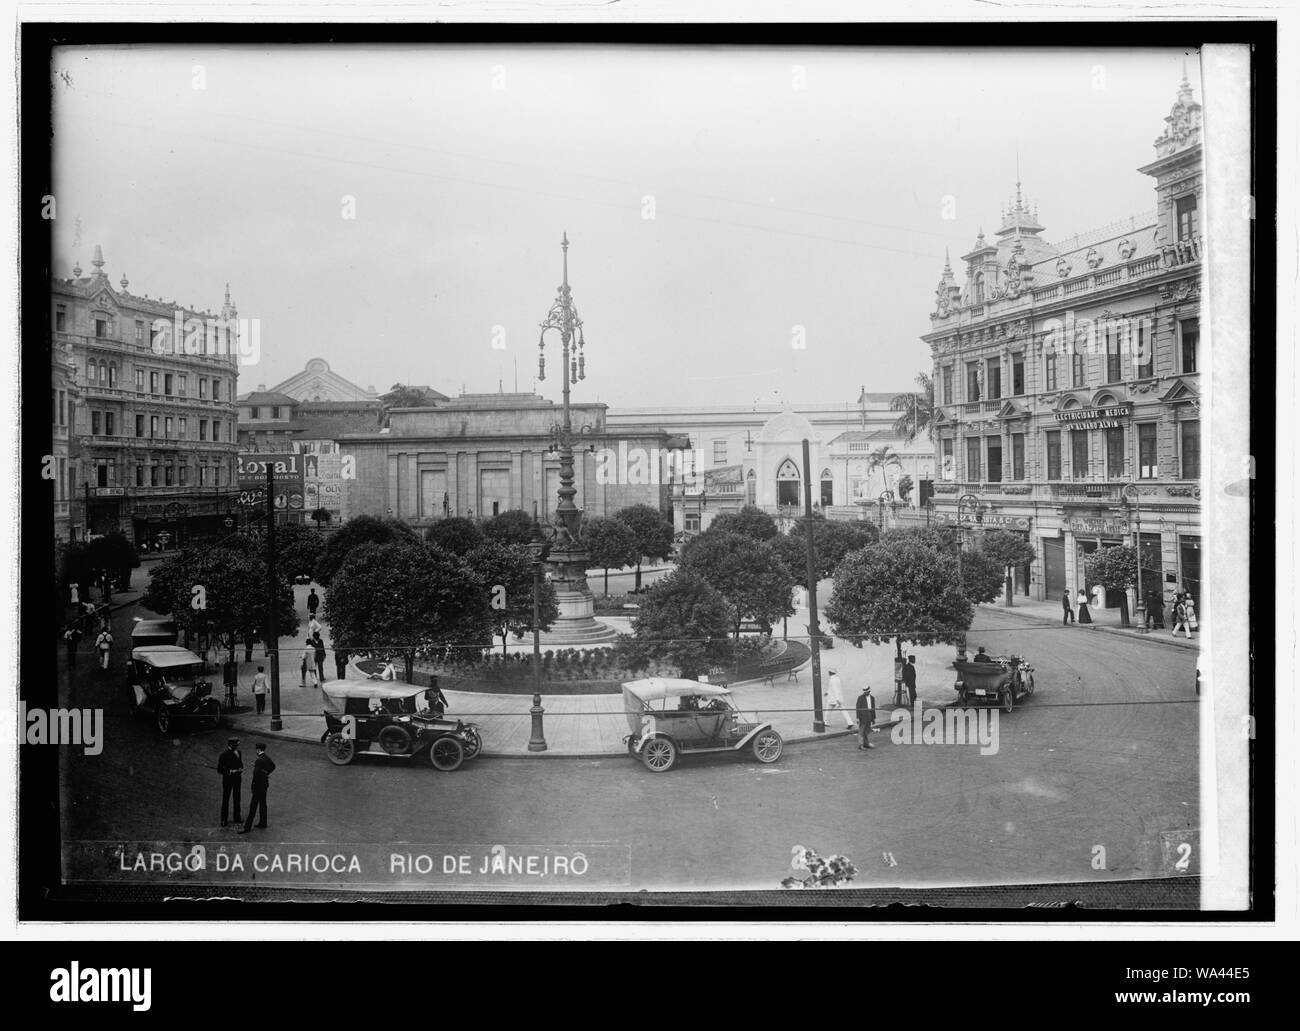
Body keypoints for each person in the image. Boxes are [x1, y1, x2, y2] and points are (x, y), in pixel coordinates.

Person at [239, 743, 275, 833]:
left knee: (253, 807)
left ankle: (247, 827)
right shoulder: (267, 757)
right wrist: (266, 773)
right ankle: (263, 823)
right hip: (264, 785)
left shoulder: (259, 760)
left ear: (258, 750)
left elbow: (255, 775)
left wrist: (253, 786)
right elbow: (273, 766)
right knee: (263, 804)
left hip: (258, 786)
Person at [217, 737, 244, 827]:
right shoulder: (224, 755)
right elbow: (219, 769)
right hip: (228, 780)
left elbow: (240, 763)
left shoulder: (238, 752)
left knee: (237, 798)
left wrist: (240, 769)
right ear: (230, 744)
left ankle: (237, 817)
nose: (237, 746)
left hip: (237, 779)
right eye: (235, 744)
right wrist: (230, 771)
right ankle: (224, 819)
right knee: (226, 799)